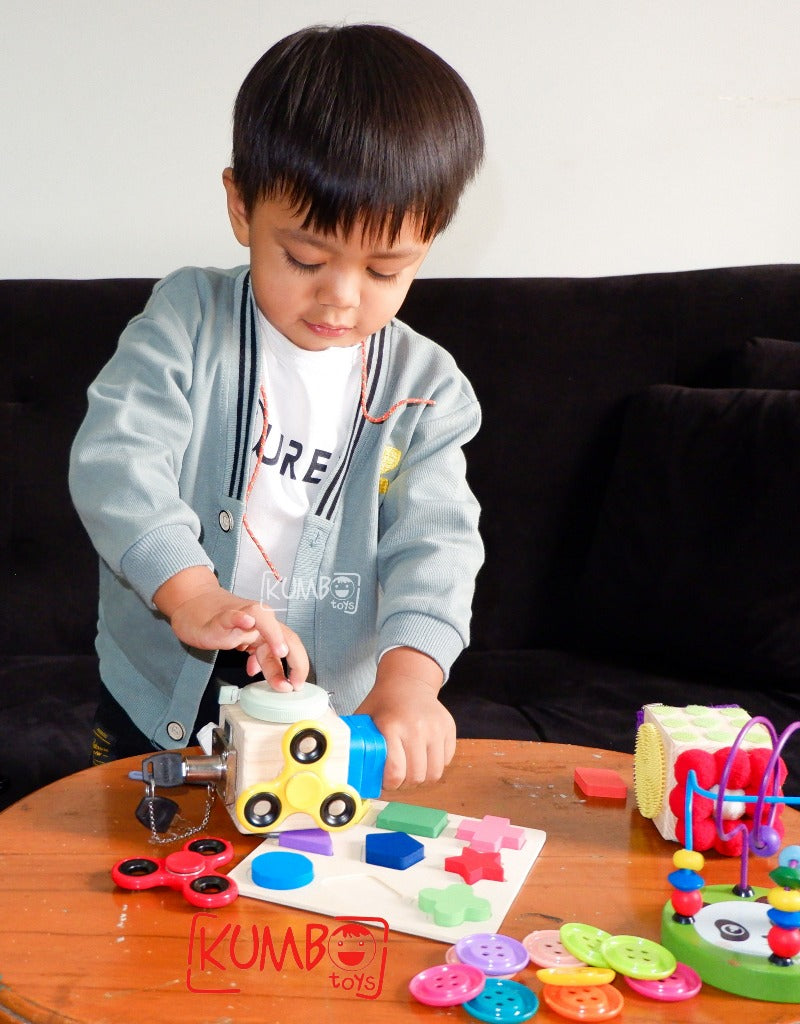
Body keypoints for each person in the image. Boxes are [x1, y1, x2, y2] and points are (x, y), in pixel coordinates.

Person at [69, 23, 485, 790]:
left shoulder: (428, 390)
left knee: (299, 886)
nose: (342, 297)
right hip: (162, 694)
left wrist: (412, 680)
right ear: (240, 206)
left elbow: (438, 548)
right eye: (305, 258)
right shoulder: (187, 322)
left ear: (429, 244)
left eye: (387, 268)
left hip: (327, 716)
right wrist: (188, 589)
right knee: (135, 876)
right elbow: (116, 461)